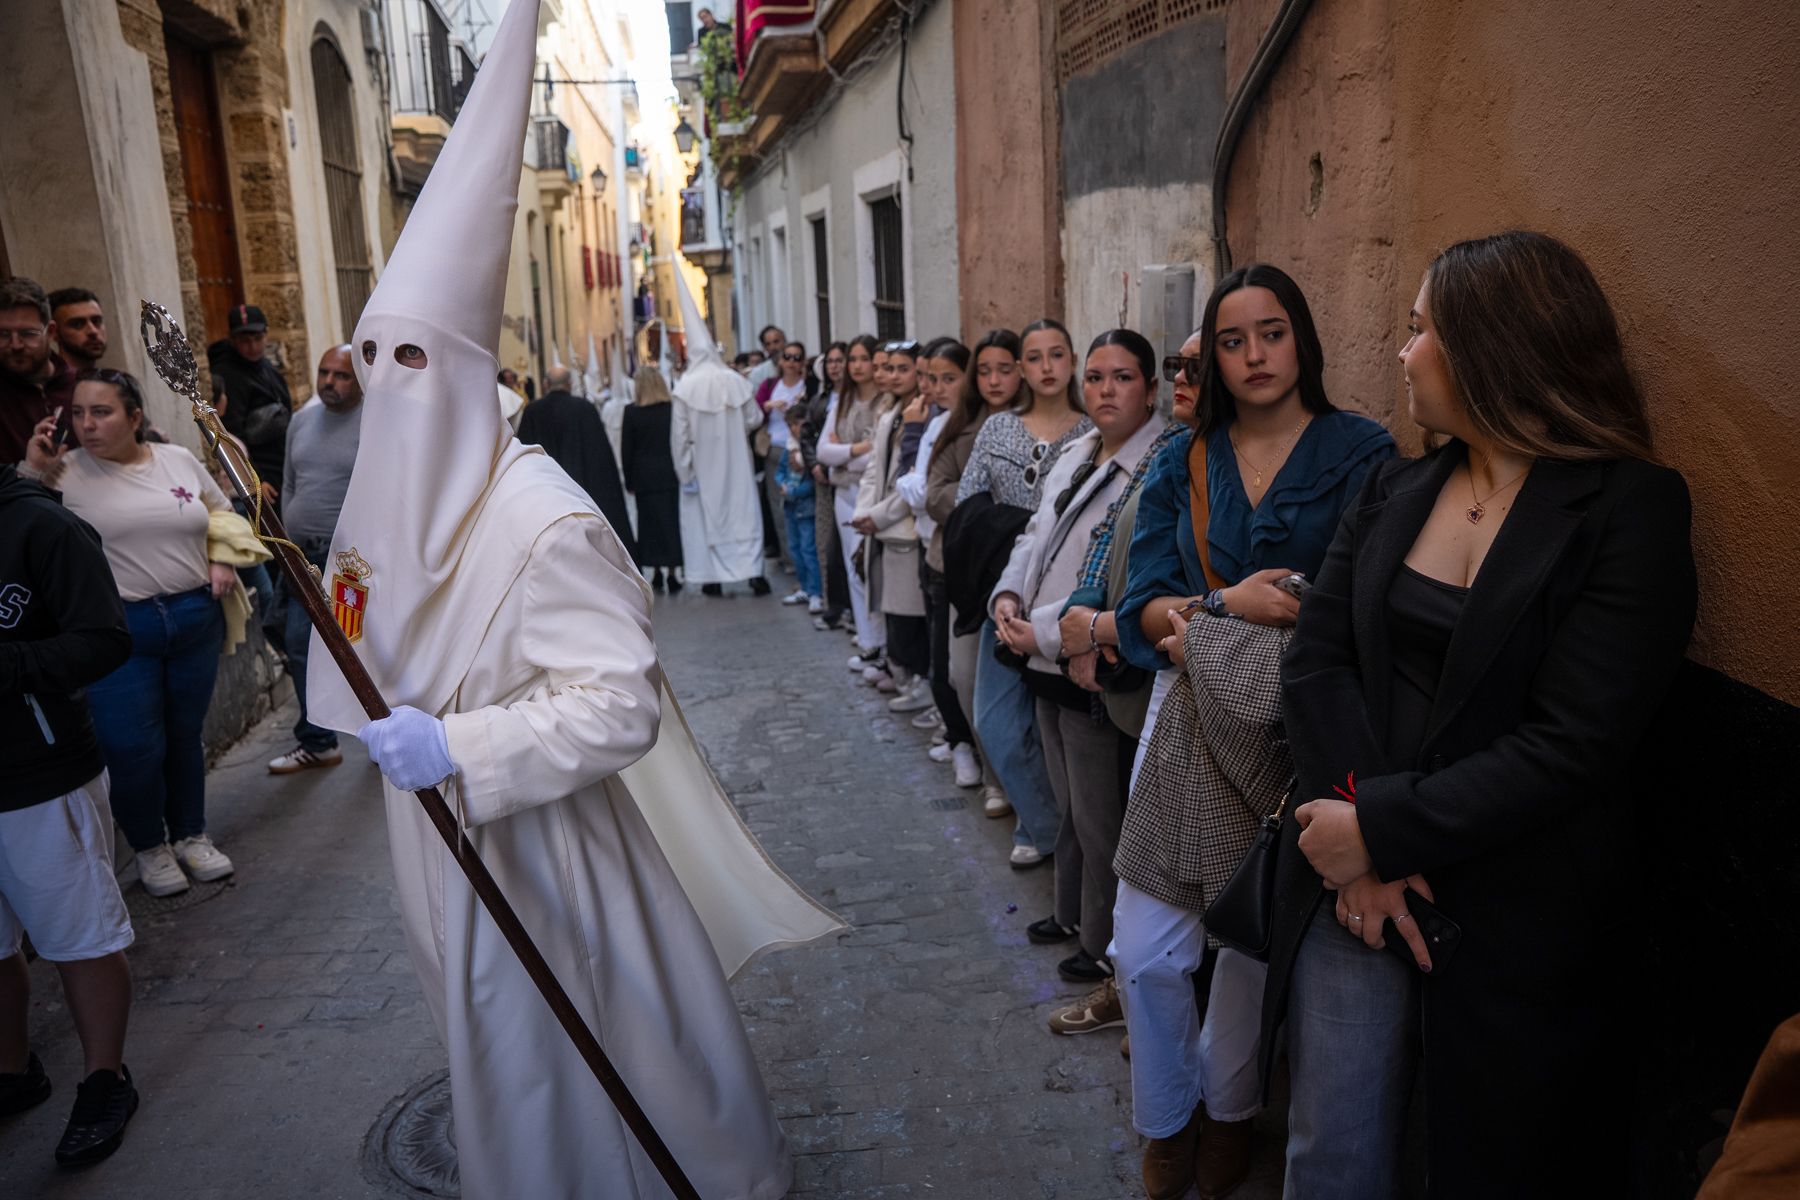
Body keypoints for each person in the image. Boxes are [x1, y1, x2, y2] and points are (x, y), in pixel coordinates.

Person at [303, 5, 840, 1192]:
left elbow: (614, 707)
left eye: (414, 362)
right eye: (370, 358)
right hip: (436, 842)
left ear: (462, 377)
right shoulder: (382, 512)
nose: (388, 391)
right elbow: (355, 628)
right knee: (504, 1063)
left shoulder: (545, 522)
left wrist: (459, 741)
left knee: (591, 1062)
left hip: (542, 851)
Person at [1271, 231, 1697, 1198]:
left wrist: (1380, 828)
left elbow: (1573, 744)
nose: (1403, 351)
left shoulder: (1628, 509)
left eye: (1422, 330)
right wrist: (1360, 846)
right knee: (1330, 1152)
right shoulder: (1395, 484)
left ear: (1493, 348)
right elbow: (1316, 665)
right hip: (1352, 889)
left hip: (1519, 912)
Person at [1108, 264, 1394, 1199]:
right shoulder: (1181, 459)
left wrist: (1287, 613)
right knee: (1145, 947)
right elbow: (1145, 605)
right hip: (1185, 717)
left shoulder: (1362, 453)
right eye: (1232, 341)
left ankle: (1230, 1116)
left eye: (1271, 333)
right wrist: (1220, 604)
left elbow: (1376, 602)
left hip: (1295, 730)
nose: (1254, 355)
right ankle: (1166, 1119)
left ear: (1301, 339)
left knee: (1247, 939)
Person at [993, 329, 1168, 987]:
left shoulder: (1155, 463)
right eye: (1095, 377)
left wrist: (1036, 632)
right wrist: (1006, 598)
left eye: (1122, 377)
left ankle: (1103, 944)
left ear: (1150, 389)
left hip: (1084, 657)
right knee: (1068, 803)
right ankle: (1071, 914)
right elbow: (1036, 536)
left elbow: (1110, 575)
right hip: (1038, 653)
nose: (1105, 390)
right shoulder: (1078, 452)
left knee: (1099, 817)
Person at [50, 369, 240, 897]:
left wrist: (221, 558)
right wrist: (31, 469)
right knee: (131, 747)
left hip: (193, 615)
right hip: (118, 629)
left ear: (135, 417)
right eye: (79, 413)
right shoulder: (63, 474)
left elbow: (220, 510)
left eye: (102, 412)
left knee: (184, 735)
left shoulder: (176, 459)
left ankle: (190, 835)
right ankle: (149, 847)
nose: (87, 425)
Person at [0, 460, 140, 1167]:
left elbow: (107, 638)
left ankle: (105, 1079)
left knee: (80, 938)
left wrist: (12, 665)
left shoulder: (42, 524)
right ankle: (13, 1070)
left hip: (40, 777)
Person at [955, 318, 1091, 870]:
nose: (1046, 367)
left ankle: (1073, 847)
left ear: (1072, 360)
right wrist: (1019, 531)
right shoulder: (997, 430)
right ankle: (1045, 824)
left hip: (1067, 602)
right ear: (1023, 368)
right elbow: (967, 503)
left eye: (1057, 355)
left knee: (1058, 734)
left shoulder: (1091, 431)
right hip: (1006, 595)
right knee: (996, 722)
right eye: (1034, 358)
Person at [931, 329, 1023, 814]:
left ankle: (1022, 788)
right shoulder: (960, 427)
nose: (993, 379)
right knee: (963, 676)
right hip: (965, 570)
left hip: (1020, 573)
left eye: (1004, 368)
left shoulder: (1039, 426)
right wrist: (984, 513)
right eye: (983, 370)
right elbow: (936, 491)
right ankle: (994, 776)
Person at [267, 344, 364, 775]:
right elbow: (290, 483)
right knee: (299, 644)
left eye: (341, 375)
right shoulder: (302, 420)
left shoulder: (378, 423)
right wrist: (285, 536)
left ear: (361, 378)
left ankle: (385, 734)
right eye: (324, 372)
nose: (329, 382)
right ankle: (318, 742)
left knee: (364, 648)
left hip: (351, 562)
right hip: (301, 556)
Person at [898, 338, 981, 781]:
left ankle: (965, 740)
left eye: (948, 378)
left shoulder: (963, 425)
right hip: (934, 553)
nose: (934, 387)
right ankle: (958, 738)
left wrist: (925, 491)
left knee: (956, 664)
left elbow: (924, 491)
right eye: (929, 378)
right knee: (941, 659)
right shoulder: (936, 423)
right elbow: (913, 486)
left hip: (958, 556)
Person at [672, 276, 770, 598]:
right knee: (744, 513)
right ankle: (753, 573)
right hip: (737, 460)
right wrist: (734, 433)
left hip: (702, 462)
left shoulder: (685, 388)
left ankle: (711, 577)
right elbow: (755, 417)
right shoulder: (733, 380)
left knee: (704, 519)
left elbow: (680, 437)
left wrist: (685, 470)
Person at [851, 340, 933, 705]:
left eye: (903, 369)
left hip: (905, 530)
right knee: (892, 611)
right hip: (883, 528)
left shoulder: (923, 415)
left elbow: (913, 478)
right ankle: (908, 678)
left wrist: (878, 516)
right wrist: (863, 513)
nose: (894, 375)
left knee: (909, 616)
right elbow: (874, 471)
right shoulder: (891, 412)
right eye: (890, 368)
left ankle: (921, 685)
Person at [517, 364, 639, 564]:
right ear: (570, 383)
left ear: (546, 384)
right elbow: (600, 458)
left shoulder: (532, 411)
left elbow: (525, 454)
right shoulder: (584, 409)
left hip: (546, 493)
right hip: (582, 490)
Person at [818, 335, 883, 661]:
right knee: (852, 567)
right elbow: (822, 451)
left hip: (873, 494)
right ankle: (868, 640)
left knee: (871, 568)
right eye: (851, 360)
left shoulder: (884, 403)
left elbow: (878, 457)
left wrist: (842, 453)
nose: (856, 366)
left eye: (862, 358)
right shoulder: (841, 401)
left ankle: (882, 643)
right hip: (844, 492)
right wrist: (857, 448)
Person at [206, 304, 292, 502]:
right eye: (245, 341)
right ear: (233, 340)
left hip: (280, 466)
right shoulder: (229, 375)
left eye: (257, 339)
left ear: (266, 335)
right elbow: (232, 435)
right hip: (261, 474)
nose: (252, 347)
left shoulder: (266, 367)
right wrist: (256, 479)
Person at [756, 340, 819, 603]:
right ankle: (789, 558)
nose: (792, 361)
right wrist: (769, 406)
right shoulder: (770, 386)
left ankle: (811, 579)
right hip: (776, 448)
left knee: (805, 508)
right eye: (788, 357)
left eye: (797, 357)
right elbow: (754, 410)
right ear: (780, 361)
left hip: (803, 451)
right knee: (780, 504)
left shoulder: (809, 387)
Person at [619, 365, 685, 592]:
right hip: (668, 472)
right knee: (670, 522)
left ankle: (655, 569)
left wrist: (628, 479)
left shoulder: (632, 412)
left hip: (643, 475)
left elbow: (627, 450)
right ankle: (673, 571)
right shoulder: (671, 409)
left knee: (649, 523)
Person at [1, 276, 78, 468]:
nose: (16, 345)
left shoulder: (81, 385)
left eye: (28, 334)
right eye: (3, 335)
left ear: (51, 331)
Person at [802, 342, 851, 627]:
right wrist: (815, 464)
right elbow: (809, 434)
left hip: (848, 477)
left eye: (840, 360)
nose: (835, 366)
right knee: (826, 543)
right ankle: (832, 604)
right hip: (824, 479)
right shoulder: (821, 399)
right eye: (830, 361)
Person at [775, 407, 821, 606]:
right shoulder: (790, 448)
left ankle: (816, 591)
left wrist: (795, 492)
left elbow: (812, 482)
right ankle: (804, 587)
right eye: (791, 425)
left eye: (798, 424)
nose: (794, 429)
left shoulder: (810, 448)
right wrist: (782, 484)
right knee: (795, 549)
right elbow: (780, 471)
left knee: (808, 549)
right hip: (790, 506)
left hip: (805, 505)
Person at [48, 287, 109, 372]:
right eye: (77, 324)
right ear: (53, 332)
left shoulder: (117, 381)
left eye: (96, 321)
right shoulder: (48, 383)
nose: (93, 331)